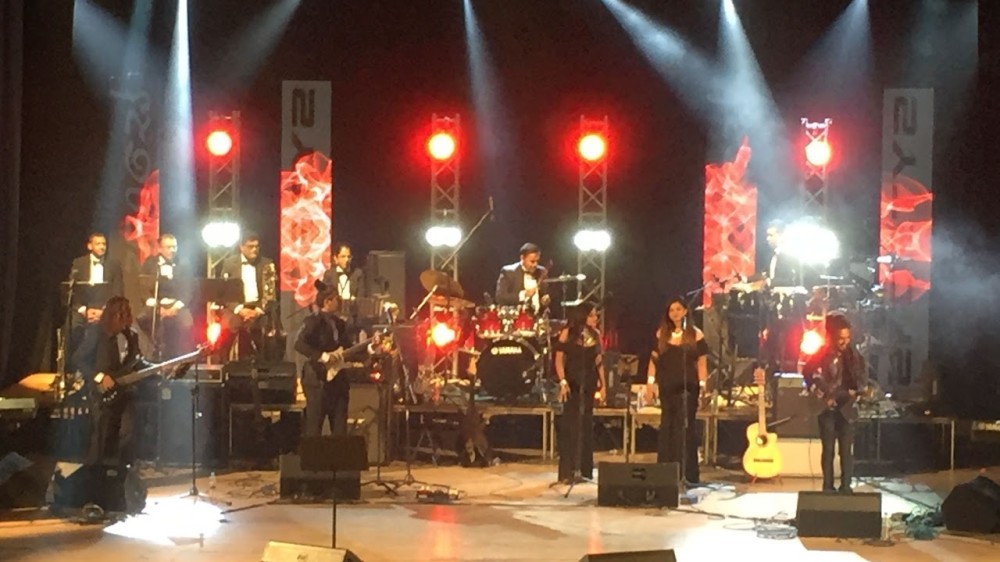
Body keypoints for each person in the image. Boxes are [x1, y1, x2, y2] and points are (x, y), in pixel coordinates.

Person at [72, 296, 151, 466]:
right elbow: (78, 359)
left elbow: (137, 361)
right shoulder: (96, 333)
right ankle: (97, 470)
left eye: (126, 313)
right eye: (120, 313)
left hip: (125, 392)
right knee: (101, 434)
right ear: (112, 315)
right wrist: (99, 377)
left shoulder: (131, 335)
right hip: (101, 394)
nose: (124, 317)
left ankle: (119, 470)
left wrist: (161, 368)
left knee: (127, 431)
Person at [295, 283, 377, 437]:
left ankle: (338, 452)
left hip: (338, 382)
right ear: (327, 301)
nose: (339, 302)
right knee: (314, 428)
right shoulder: (313, 321)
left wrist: (370, 349)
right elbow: (299, 344)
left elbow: (348, 350)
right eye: (337, 299)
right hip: (317, 380)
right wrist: (322, 356)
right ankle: (313, 453)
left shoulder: (340, 324)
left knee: (340, 429)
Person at [802, 313, 867, 493]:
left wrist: (859, 392)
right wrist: (821, 393)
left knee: (846, 450)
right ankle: (828, 486)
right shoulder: (821, 354)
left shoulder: (855, 356)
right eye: (840, 338)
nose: (845, 342)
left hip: (847, 407)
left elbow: (862, 378)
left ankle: (846, 486)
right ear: (831, 336)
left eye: (847, 337)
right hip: (827, 408)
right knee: (828, 449)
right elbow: (808, 374)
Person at [646, 297, 708, 484]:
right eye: (671, 310)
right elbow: (653, 360)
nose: (675, 313)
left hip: (688, 389)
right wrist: (650, 383)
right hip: (667, 388)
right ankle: (666, 473)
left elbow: (702, 363)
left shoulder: (695, 335)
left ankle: (686, 474)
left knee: (685, 429)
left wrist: (703, 385)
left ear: (685, 311)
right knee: (668, 428)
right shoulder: (661, 334)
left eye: (678, 309)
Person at [554, 302, 605, 483]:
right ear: (582, 316)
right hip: (572, 383)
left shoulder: (596, 335)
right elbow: (559, 359)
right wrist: (562, 381)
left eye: (595, 315)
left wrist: (603, 385)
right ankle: (568, 470)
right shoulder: (568, 333)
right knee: (570, 425)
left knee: (586, 424)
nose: (595, 318)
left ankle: (585, 469)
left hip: (589, 382)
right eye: (591, 315)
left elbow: (599, 361)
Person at [218, 232, 282, 359]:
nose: (254, 250)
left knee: (268, 331)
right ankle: (222, 363)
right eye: (250, 246)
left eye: (257, 246)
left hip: (258, 307)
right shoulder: (229, 264)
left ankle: (263, 364)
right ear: (241, 247)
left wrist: (258, 310)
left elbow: (271, 293)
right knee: (226, 329)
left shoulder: (267, 264)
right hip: (237, 307)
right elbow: (224, 292)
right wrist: (240, 310)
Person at [67, 233, 124, 370]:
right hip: (84, 308)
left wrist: (104, 311)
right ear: (89, 246)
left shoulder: (114, 265)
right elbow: (73, 291)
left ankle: (88, 366)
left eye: (104, 244)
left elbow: (118, 292)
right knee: (73, 326)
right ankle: (77, 366)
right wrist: (84, 311)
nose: (102, 247)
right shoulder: (79, 263)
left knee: (102, 327)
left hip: (105, 308)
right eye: (98, 244)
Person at [138, 233, 193, 358]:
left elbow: (188, 289)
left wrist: (176, 307)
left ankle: (180, 355)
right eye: (168, 247)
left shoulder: (184, 264)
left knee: (187, 323)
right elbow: (143, 287)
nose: (172, 250)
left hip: (177, 304)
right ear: (159, 248)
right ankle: (154, 348)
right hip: (156, 303)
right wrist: (158, 307)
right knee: (142, 318)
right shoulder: (150, 263)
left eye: (174, 247)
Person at [495, 242, 550, 310]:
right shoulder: (509, 272)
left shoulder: (541, 271)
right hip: (517, 315)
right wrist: (524, 294)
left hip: (538, 315)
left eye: (537, 261)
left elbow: (544, 294)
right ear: (522, 258)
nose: (535, 265)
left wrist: (544, 300)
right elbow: (500, 298)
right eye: (532, 261)